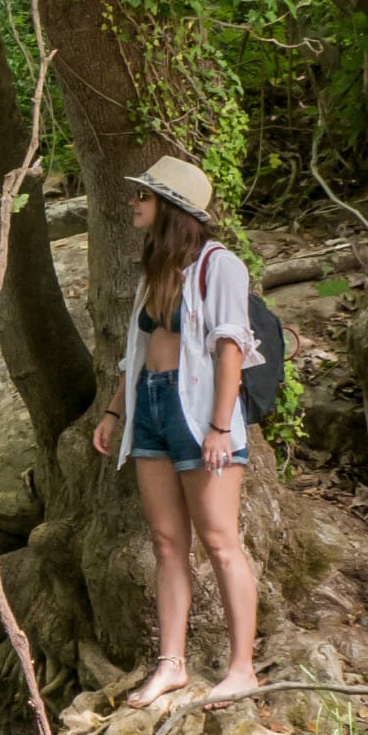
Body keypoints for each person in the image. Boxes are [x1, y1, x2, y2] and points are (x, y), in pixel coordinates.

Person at [88, 154, 261, 705]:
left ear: (172, 207)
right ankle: (171, 665)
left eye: (143, 196)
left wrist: (218, 427)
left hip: (201, 413)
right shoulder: (156, 272)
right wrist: (116, 412)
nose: (134, 203)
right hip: (152, 410)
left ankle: (242, 668)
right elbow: (139, 353)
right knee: (166, 542)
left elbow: (230, 348)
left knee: (220, 542)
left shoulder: (221, 266)